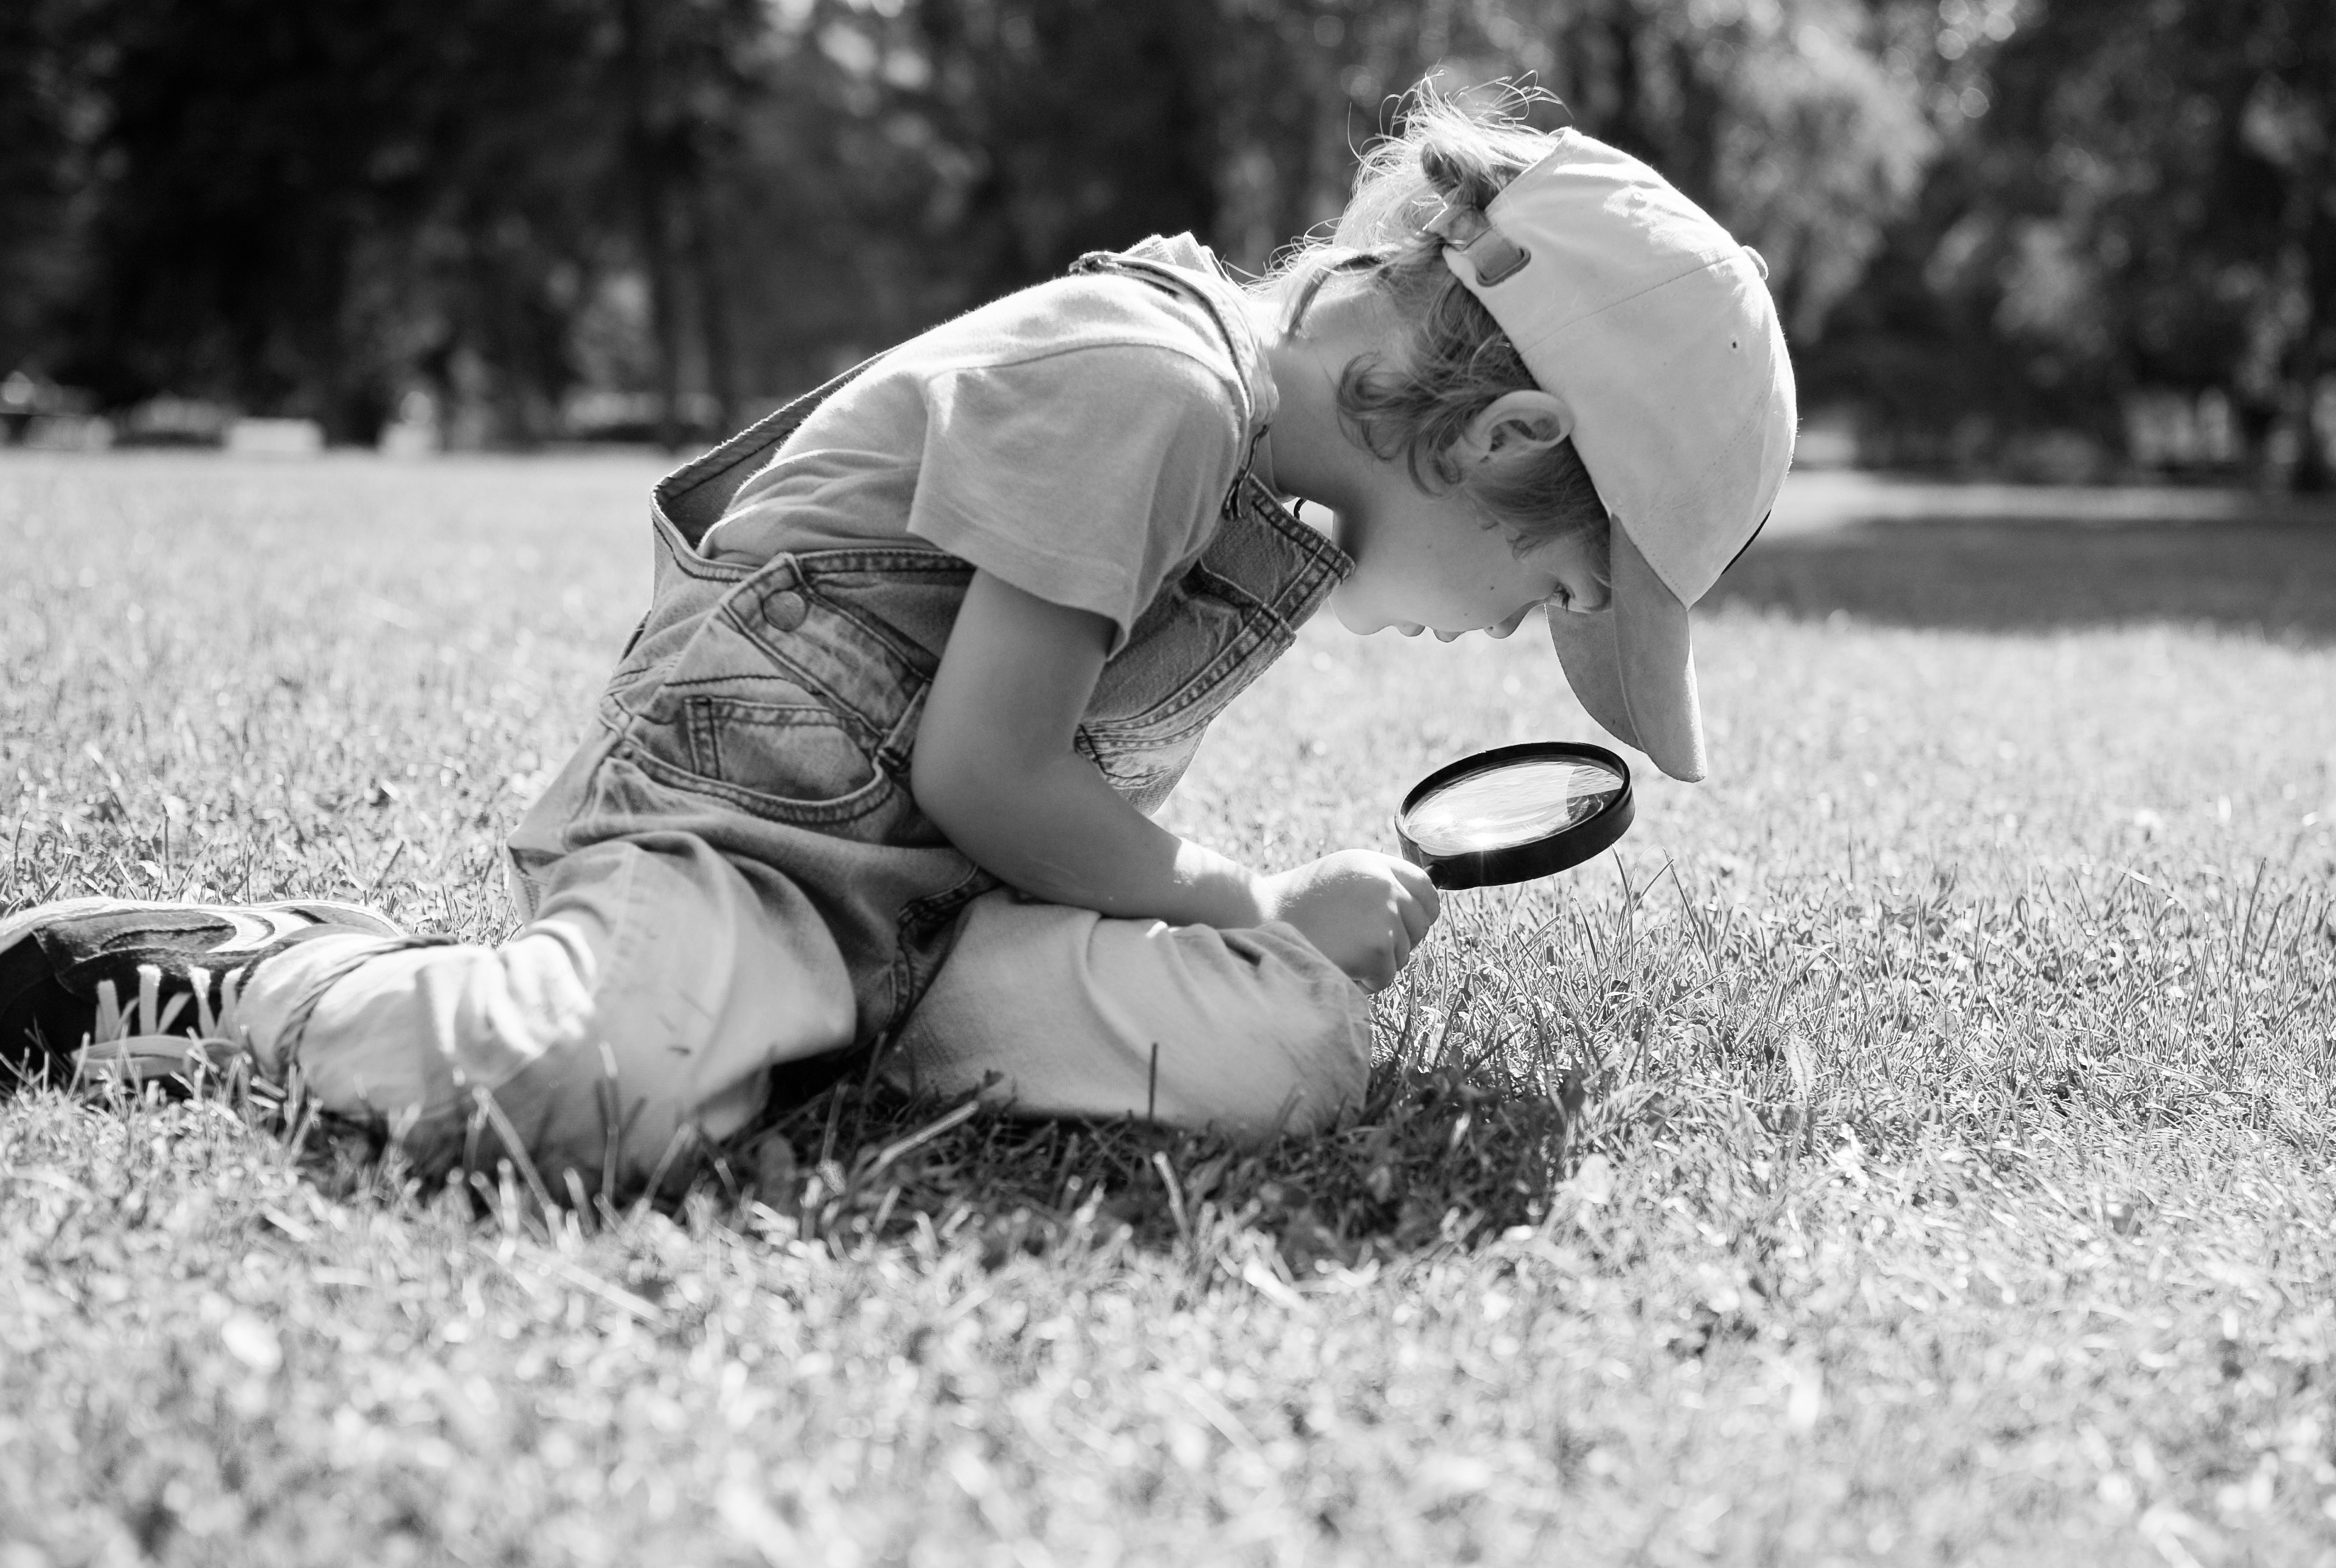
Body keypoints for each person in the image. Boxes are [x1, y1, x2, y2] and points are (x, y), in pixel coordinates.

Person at [0, 92, 1794, 1192]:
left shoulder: (1261, 487)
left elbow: (1029, 812)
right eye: (1557, 591)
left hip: (928, 925)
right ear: (1504, 445)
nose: (1509, 629)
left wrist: (1275, 950)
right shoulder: (1149, 385)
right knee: (566, 1093)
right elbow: (985, 770)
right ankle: (262, 972)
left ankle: (793, 1050)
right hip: (753, 860)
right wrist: (1243, 902)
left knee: (1283, 1057)